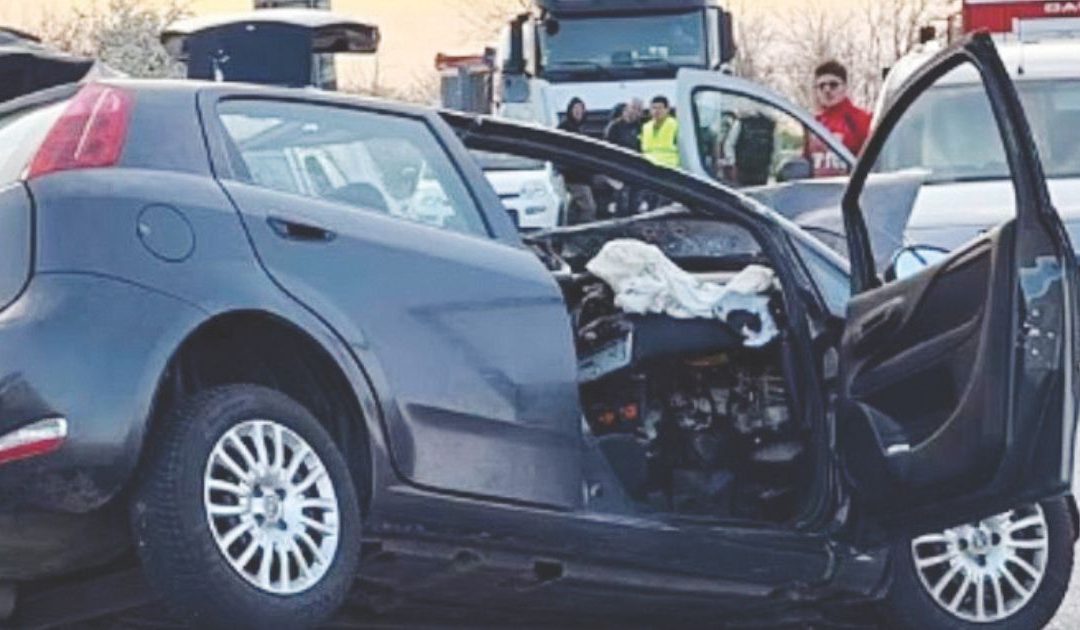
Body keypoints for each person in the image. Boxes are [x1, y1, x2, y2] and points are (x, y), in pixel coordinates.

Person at [812, 60, 872, 155]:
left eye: (833, 85)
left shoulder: (863, 120)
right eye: (821, 86)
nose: (827, 90)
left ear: (845, 87)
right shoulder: (813, 123)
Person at [557, 97, 597, 224]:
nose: (578, 112)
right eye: (576, 109)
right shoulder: (564, 129)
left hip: (582, 175)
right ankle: (584, 234)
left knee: (574, 209)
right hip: (574, 177)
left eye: (581, 109)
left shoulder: (582, 129)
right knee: (589, 208)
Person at [641, 95, 680, 169]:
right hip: (647, 168)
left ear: (667, 109)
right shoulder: (645, 127)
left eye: (660, 108)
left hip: (669, 168)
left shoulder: (675, 125)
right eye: (654, 108)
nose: (656, 111)